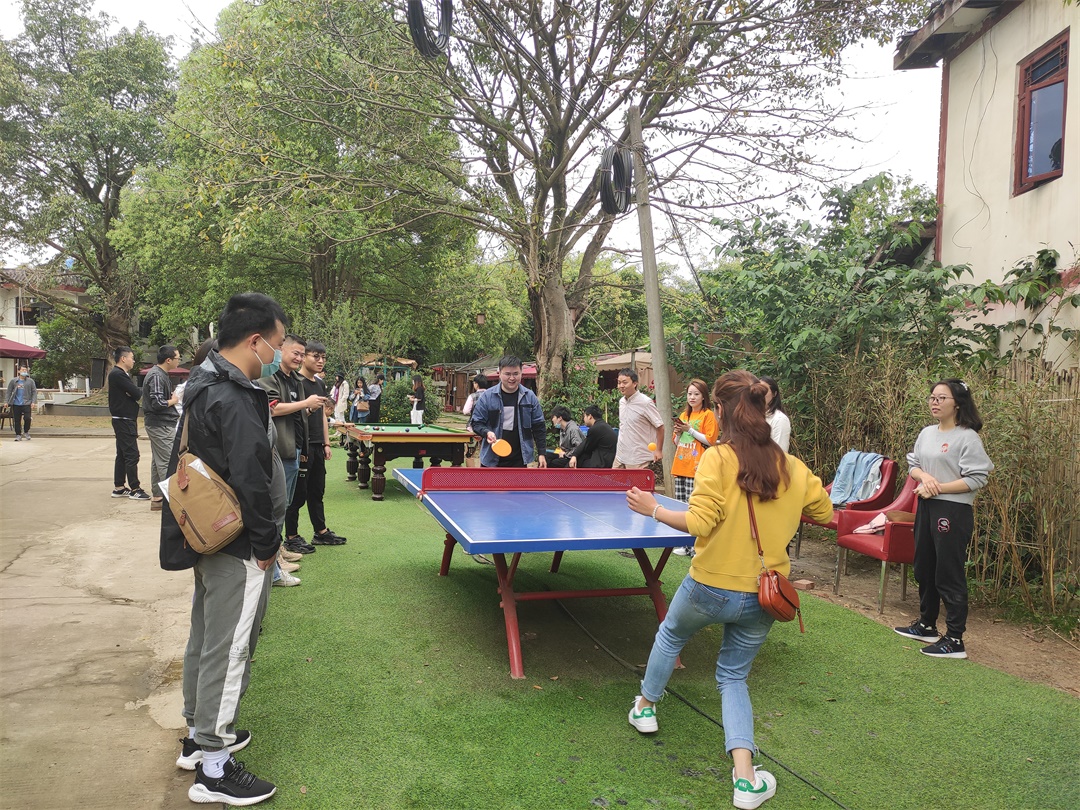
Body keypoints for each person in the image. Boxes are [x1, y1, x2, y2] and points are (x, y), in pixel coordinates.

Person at [624, 371, 833, 810]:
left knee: (670, 635)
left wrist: (653, 508)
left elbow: (699, 523)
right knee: (733, 677)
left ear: (719, 410)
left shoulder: (718, 458)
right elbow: (824, 511)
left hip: (709, 585)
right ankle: (745, 780)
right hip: (764, 595)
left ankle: (645, 707)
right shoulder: (791, 466)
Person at [159, 292, 288, 806]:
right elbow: (251, 478)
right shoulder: (232, 396)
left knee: (206, 638)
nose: (278, 354)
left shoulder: (204, 382)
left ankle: (198, 735)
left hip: (210, 537)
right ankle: (214, 767)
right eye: (277, 343)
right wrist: (267, 543)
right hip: (238, 543)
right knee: (230, 648)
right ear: (255, 341)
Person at [895, 379, 993, 660]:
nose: (934, 402)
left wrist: (937, 487)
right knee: (924, 566)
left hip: (952, 510)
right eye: (932, 397)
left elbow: (977, 478)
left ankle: (954, 639)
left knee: (948, 572)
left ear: (958, 404)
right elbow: (914, 465)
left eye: (941, 398)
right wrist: (925, 477)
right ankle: (926, 625)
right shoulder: (927, 433)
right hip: (926, 505)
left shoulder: (968, 438)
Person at [259, 333, 323, 573]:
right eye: (295, 353)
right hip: (278, 450)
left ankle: (278, 549)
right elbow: (272, 409)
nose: (299, 358)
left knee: (284, 504)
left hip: (294, 449)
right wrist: (305, 404)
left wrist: (308, 409)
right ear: (281, 351)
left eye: (302, 354)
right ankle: (274, 561)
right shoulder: (269, 376)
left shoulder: (295, 380)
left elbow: (295, 413)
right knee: (275, 506)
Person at [284, 341, 347, 548]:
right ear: (304, 358)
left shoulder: (319, 383)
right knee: (297, 494)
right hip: (301, 445)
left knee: (317, 491)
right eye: (316, 356)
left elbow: (321, 415)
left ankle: (320, 532)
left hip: (318, 445)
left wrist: (326, 443)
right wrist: (302, 447)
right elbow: (295, 415)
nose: (321, 361)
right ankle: (291, 537)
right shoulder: (295, 382)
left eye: (323, 357)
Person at [468, 355, 547, 468]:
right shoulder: (487, 397)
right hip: (491, 459)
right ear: (500, 373)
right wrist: (487, 432)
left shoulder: (530, 397)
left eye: (515, 374)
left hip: (519, 460)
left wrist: (542, 453)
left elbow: (539, 426)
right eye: (507, 374)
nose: (512, 378)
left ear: (521, 373)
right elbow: (476, 423)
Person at [670, 378, 720, 555]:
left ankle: (695, 547)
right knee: (681, 506)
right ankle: (685, 545)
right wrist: (678, 432)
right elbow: (676, 442)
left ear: (703, 396)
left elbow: (711, 440)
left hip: (697, 468)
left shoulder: (708, 415)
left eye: (696, 394)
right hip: (680, 466)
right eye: (689, 394)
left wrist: (690, 430)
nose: (692, 397)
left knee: (694, 507)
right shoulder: (684, 415)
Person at [142, 346, 181, 511]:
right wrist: (174, 400)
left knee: (158, 461)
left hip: (160, 423)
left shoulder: (160, 374)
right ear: (168, 360)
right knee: (167, 462)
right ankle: (170, 500)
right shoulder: (157, 376)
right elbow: (157, 403)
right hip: (160, 424)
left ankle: (158, 497)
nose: (179, 361)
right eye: (178, 358)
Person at [108, 347, 149, 500]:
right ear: (123, 359)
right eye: (132, 357)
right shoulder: (118, 374)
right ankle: (135, 488)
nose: (133, 361)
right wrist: (131, 394)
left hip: (123, 418)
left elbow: (132, 393)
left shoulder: (119, 374)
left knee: (122, 454)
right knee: (132, 454)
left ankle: (119, 487)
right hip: (124, 419)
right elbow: (137, 393)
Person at [614, 368, 664, 469]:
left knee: (637, 481)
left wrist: (658, 450)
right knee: (614, 480)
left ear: (635, 383)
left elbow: (660, 427)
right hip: (620, 456)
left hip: (639, 458)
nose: (621, 386)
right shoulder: (621, 402)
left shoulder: (645, 402)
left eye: (625, 382)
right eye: (619, 383)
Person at [759, 376, 790, 453]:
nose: (760, 393)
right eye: (758, 389)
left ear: (774, 394)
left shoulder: (779, 419)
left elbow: (780, 453)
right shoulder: (753, 417)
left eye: (764, 390)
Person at [6, 365, 37, 441]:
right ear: (19, 371)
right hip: (16, 403)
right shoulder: (14, 381)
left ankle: (26, 431)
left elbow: (34, 392)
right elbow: (9, 392)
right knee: (17, 420)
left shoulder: (30, 381)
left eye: (25, 370)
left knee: (27, 418)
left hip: (26, 403)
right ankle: (18, 434)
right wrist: (7, 401)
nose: (24, 371)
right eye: (23, 370)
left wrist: (33, 402)